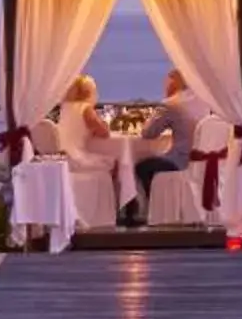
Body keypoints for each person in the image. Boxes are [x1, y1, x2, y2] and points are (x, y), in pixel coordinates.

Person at [128, 68, 207, 224]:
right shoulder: (203, 101)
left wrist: (164, 103)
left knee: (140, 167)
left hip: (180, 160)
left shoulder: (172, 103)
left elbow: (148, 133)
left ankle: (150, 209)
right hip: (202, 159)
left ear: (173, 83)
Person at [56, 74, 137, 222]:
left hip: (62, 156)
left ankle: (111, 210)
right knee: (114, 163)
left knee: (108, 161)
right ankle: (120, 209)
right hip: (75, 157)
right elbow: (104, 133)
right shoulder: (85, 109)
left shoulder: (65, 108)